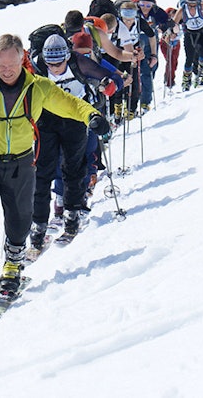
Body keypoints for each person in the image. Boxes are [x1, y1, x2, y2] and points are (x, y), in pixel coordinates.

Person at [0, 34, 111, 311]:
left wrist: (91, 116)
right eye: (1, 65)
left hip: (21, 162)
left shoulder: (38, 88)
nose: (7, 70)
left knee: (19, 217)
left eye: (12, 64)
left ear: (22, 59)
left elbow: (69, 103)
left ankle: (12, 267)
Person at [29, 34, 124, 247]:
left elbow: (111, 78)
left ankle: (72, 213)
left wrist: (108, 86)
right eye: (50, 63)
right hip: (46, 121)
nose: (54, 68)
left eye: (59, 62)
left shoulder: (78, 62)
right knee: (43, 170)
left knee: (73, 166)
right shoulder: (36, 67)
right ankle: (41, 221)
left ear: (67, 56)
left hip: (74, 117)